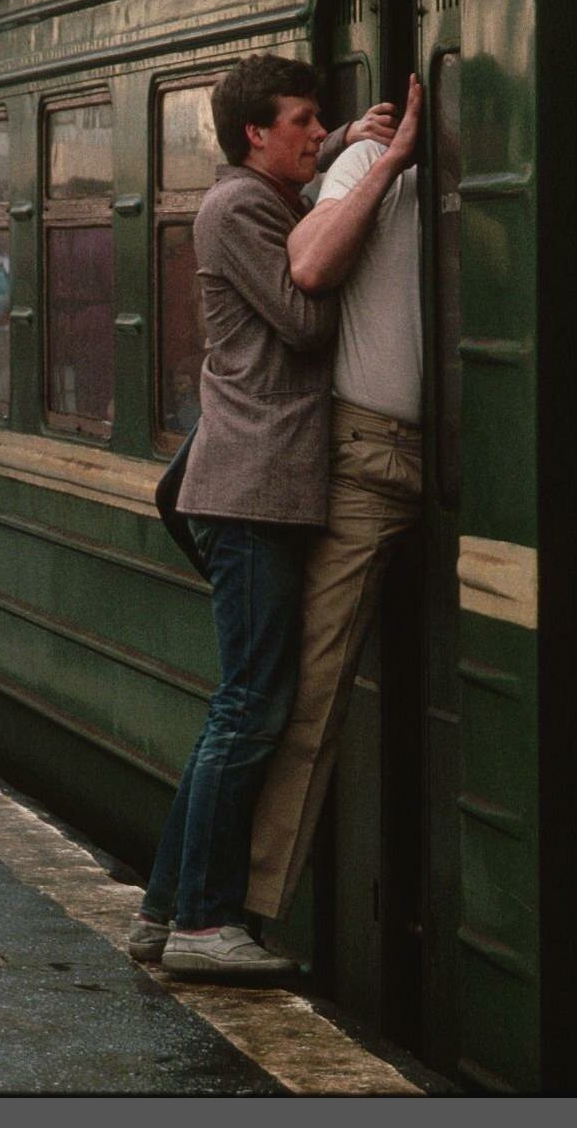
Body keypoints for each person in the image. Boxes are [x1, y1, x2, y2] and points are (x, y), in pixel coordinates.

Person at [133, 55, 395, 977]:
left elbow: (300, 229)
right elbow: (307, 320)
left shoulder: (258, 196)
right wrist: (372, 178)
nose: (316, 132)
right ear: (255, 132)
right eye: (303, 122)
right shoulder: (236, 207)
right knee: (250, 708)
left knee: (241, 708)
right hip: (251, 490)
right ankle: (205, 924)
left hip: (261, 486)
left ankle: (165, 911)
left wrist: (336, 169)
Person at [246, 75, 424, 921]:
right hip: (371, 456)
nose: (322, 133)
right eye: (307, 122)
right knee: (311, 697)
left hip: (444, 457)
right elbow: (310, 263)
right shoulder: (365, 169)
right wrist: (376, 154)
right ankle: (249, 906)